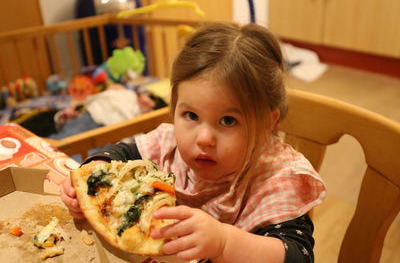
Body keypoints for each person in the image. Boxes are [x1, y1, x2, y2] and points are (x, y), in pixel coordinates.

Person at [61, 22, 326, 263]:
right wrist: (94, 176)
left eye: (228, 121)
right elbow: (121, 153)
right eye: (191, 115)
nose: (204, 138)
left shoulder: (277, 176)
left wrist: (224, 243)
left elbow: (298, 256)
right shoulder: (169, 144)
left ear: (268, 124)